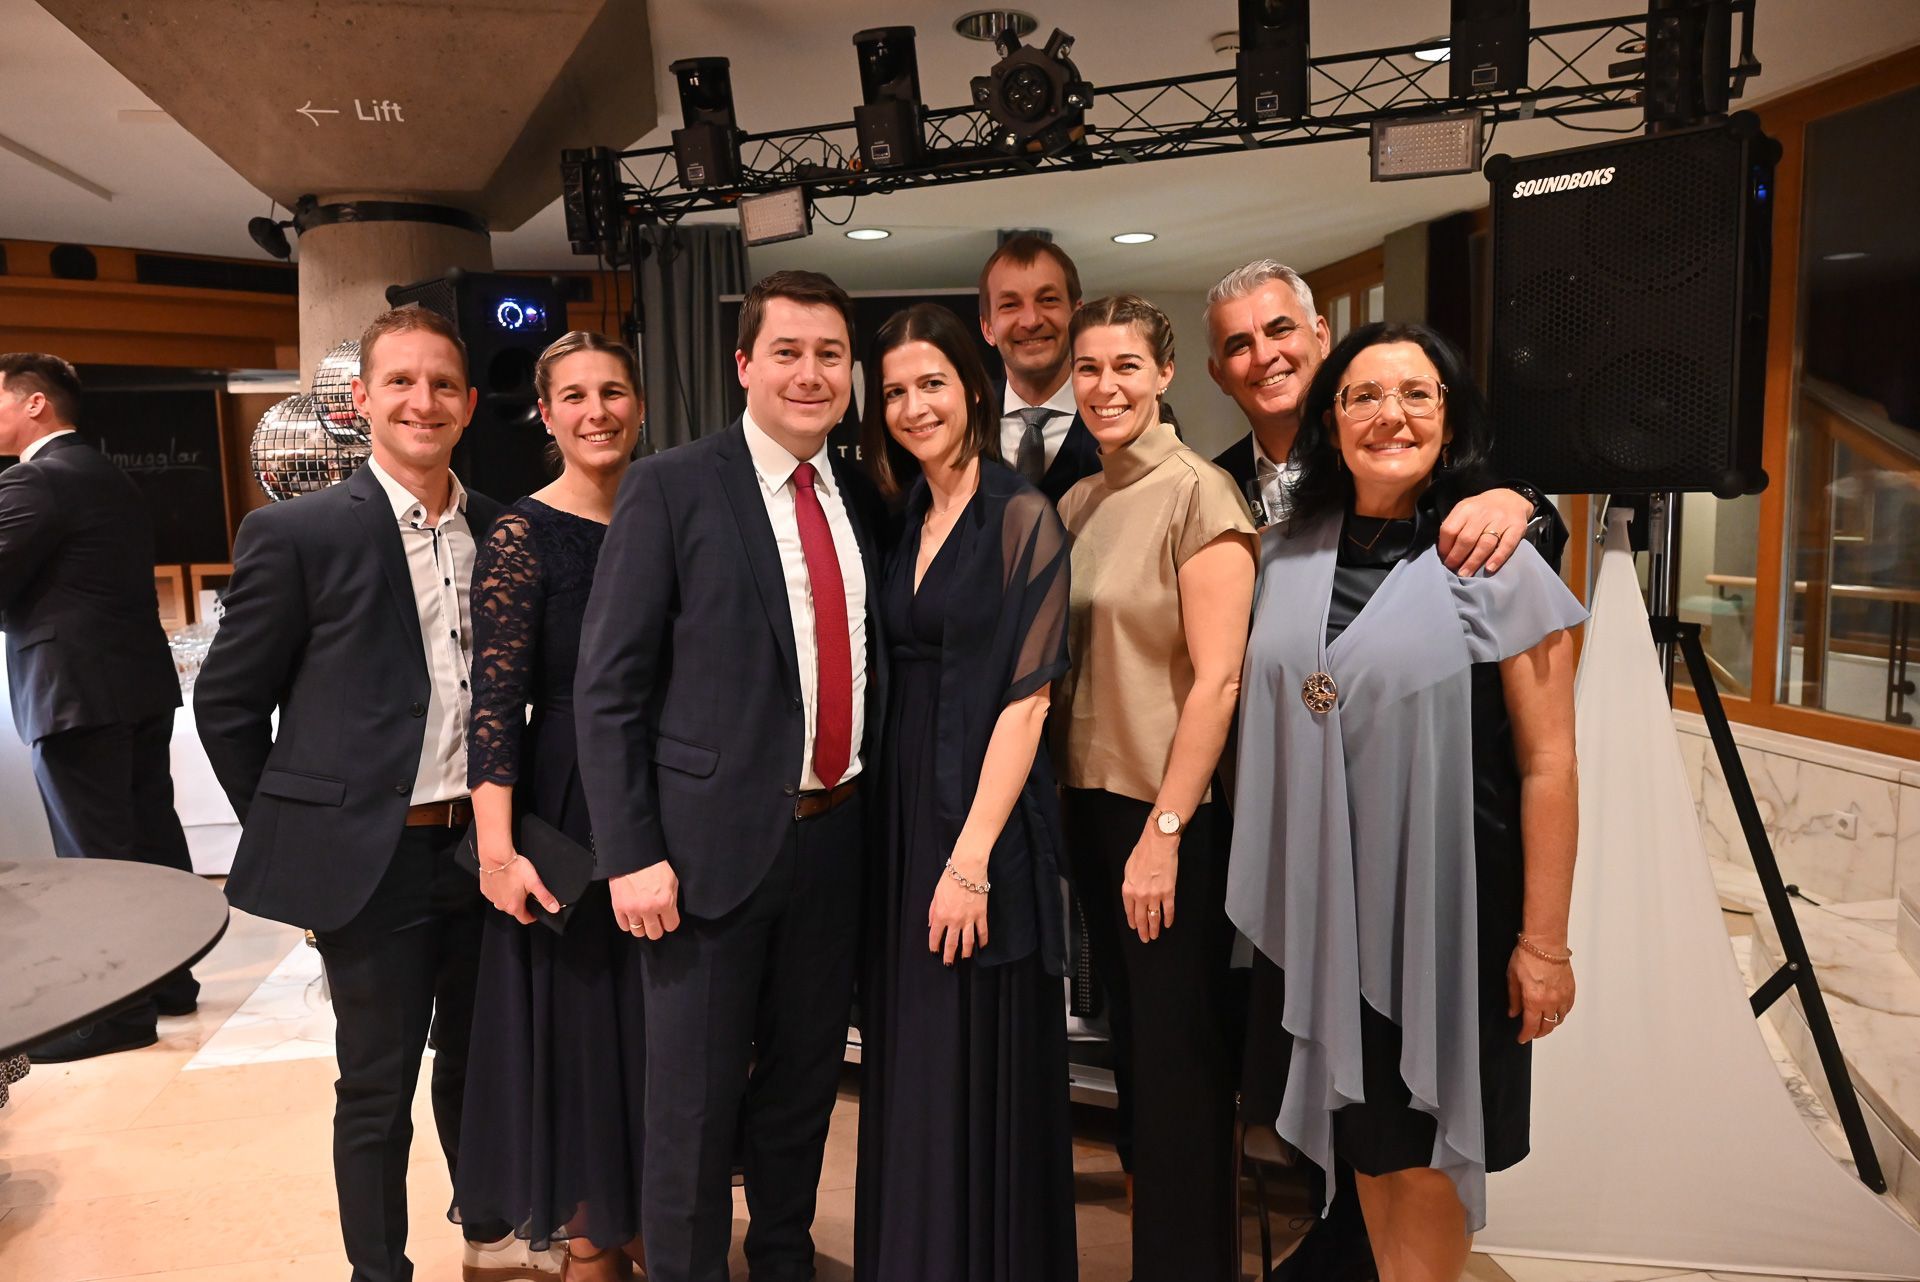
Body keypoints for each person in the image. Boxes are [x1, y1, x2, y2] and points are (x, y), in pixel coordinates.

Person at [1202, 260, 1561, 1281]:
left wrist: (1545, 943)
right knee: (1366, 1148)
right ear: (1332, 418)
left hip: (1449, 918)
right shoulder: (1281, 549)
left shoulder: (1498, 550)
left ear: (1452, 414)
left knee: (1428, 1162)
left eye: (1416, 393)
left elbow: (1549, 764)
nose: (1388, 414)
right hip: (1321, 916)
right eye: (1364, 395)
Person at [195, 309, 538, 1282]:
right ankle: (378, 1269)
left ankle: (490, 1219)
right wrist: (302, 837)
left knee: (483, 1057)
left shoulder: (506, 530)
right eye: (401, 383)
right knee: (378, 1083)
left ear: (468, 405)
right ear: (362, 401)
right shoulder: (298, 534)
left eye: (441, 384)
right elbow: (227, 705)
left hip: (487, 846)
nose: (421, 401)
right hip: (373, 860)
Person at [575, 270, 888, 1282]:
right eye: (788, 352)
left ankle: (786, 1262)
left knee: (803, 1085)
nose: (810, 373)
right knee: (694, 1108)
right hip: (702, 856)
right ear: (744, 364)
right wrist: (631, 854)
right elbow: (608, 686)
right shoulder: (674, 483)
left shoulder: (868, 494)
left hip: (837, 838)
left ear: (852, 372)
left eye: (829, 355)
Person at [851, 303, 1077, 1281]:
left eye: (930, 383)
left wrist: (972, 861)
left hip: (975, 822)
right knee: (912, 1057)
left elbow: (1030, 702)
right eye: (895, 390)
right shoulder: (909, 513)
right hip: (902, 816)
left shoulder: (1018, 513)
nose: (912, 405)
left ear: (973, 387)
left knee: (967, 1055)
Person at [1054, 294, 1257, 1282]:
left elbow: (1219, 678)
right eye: (1088, 368)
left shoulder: (1201, 493)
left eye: (1126, 366)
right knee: (1135, 1054)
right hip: (1088, 809)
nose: (1106, 386)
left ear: (1166, 374)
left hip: (1162, 813)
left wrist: (1167, 829)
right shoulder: (1080, 502)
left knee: (1180, 1068)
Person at [451, 332, 648, 1280]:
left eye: (614, 392)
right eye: (575, 395)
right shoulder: (522, 532)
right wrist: (497, 851)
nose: (597, 410)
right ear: (547, 412)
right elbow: (492, 707)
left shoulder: (667, 511)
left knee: (659, 1020)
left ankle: (643, 1206)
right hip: (568, 794)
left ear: (641, 406)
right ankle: (589, 1227)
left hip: (667, 786)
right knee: (583, 1021)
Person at [0, 352, 199, 1062]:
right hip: (136, 684)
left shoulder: (37, 480)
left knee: (96, 860)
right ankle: (172, 981)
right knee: (149, 840)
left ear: (34, 405)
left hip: (75, 691)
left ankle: (117, 1012)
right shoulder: (106, 473)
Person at [1204, 259, 1555, 567]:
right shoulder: (1207, 487)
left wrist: (1519, 500)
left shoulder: (1412, 454)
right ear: (1217, 375)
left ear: (1322, 336)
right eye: (1239, 345)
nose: (1264, 356)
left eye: (1280, 330)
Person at [978, 236, 1100, 504]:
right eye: (1010, 304)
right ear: (988, 328)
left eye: (1047, 300)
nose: (1031, 321)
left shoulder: (1116, 416)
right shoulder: (965, 425)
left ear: (1076, 316)